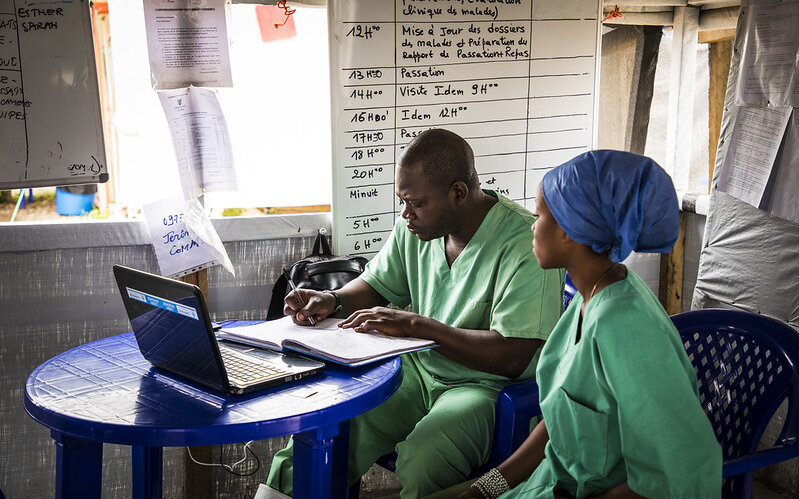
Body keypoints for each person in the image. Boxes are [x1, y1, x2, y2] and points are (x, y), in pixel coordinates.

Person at [266, 128, 565, 497]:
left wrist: (418, 327)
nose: (406, 213)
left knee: (423, 458)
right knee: (328, 424)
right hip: (417, 369)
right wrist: (333, 300)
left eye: (416, 203)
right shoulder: (418, 228)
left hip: (484, 387)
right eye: (403, 201)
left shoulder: (523, 242)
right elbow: (375, 285)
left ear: (458, 192)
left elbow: (513, 355)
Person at [452, 150, 722, 499]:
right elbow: (562, 422)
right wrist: (486, 489)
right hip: (548, 483)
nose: (532, 227)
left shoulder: (624, 327)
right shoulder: (588, 295)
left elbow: (677, 473)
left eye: (539, 216)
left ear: (570, 230)